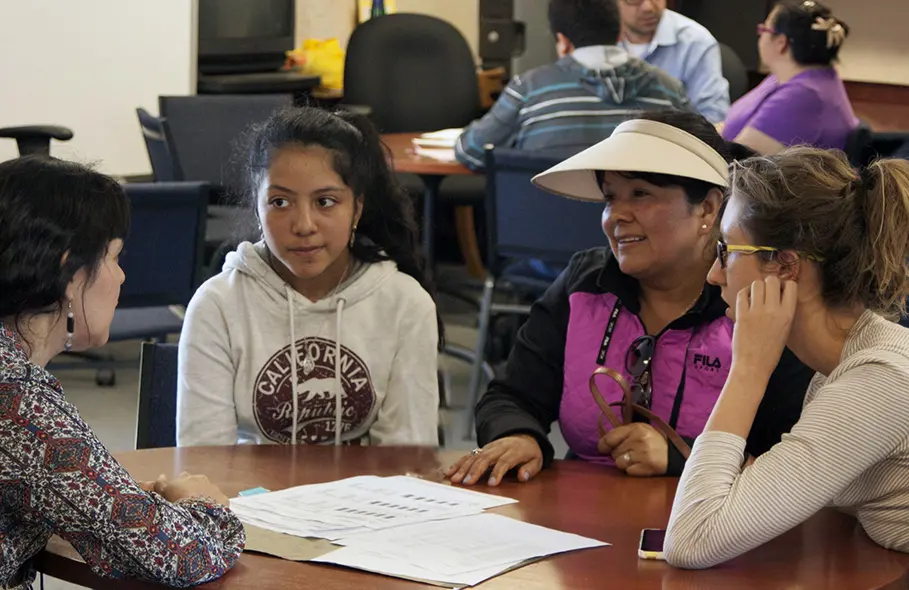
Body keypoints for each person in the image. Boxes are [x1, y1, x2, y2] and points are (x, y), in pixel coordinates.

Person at [446, 110, 814, 487]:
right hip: (583, 519)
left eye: (640, 194)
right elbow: (511, 394)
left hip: (715, 530)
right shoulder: (585, 283)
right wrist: (519, 435)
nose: (615, 217)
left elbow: (794, 464)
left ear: (707, 206)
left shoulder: (759, 301)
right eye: (609, 198)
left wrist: (679, 456)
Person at [0, 157, 244, 589]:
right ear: (69, 274)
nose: (122, 275)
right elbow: (180, 556)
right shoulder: (18, 402)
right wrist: (204, 501)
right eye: (113, 257)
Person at [664, 149, 909, 568]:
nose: (714, 275)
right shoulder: (846, 364)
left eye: (726, 250)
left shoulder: (879, 382)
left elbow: (692, 540)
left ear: (785, 266)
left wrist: (748, 369)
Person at [177, 107, 440, 448]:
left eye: (325, 202)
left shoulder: (405, 304)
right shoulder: (217, 305)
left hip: (366, 500)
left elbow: (407, 461)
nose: (303, 225)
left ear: (356, 209)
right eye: (280, 202)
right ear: (256, 208)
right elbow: (204, 461)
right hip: (244, 498)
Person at [455, 0, 691, 171]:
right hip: (641, 235)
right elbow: (699, 157)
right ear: (620, 33)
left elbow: (469, 151)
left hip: (542, 234)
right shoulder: (669, 89)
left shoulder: (529, 89)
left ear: (562, 40)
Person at [721, 0, 859, 155]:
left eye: (763, 30)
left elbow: (739, 160)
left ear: (781, 43)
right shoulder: (791, 78)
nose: (759, 37)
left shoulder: (803, 96)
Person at [616, 0, 729, 123]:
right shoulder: (596, 39)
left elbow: (714, 116)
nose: (648, 7)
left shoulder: (696, 42)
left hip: (672, 139)